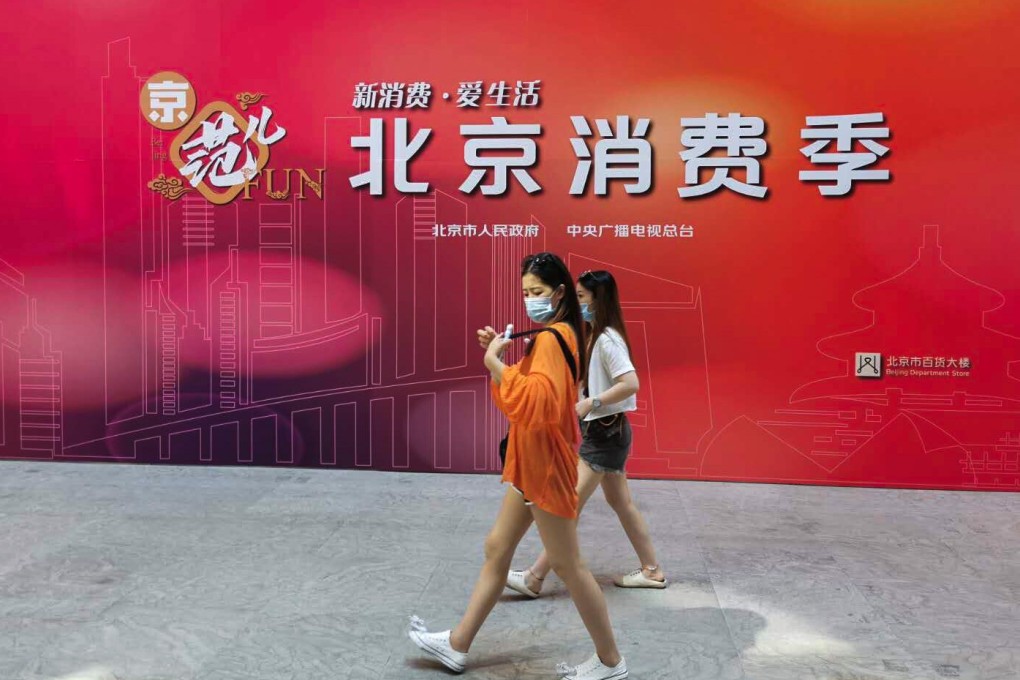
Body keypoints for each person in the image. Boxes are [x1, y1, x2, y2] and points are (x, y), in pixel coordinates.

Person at [409, 254, 628, 680]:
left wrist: (494, 363)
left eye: (537, 292)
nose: (530, 300)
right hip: (531, 460)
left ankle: (610, 662)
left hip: (544, 464)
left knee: (568, 566)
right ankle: (458, 644)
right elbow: (534, 390)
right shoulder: (561, 333)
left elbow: (538, 403)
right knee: (497, 547)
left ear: (559, 292)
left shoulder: (553, 337)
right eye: (526, 292)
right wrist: (500, 355)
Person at [506, 269, 667, 600]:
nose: (576, 302)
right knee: (621, 503)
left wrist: (592, 402)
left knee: (569, 505)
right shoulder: (594, 335)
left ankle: (535, 577)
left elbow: (631, 383)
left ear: (597, 299)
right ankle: (652, 570)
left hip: (605, 433)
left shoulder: (607, 339)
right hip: (607, 431)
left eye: (581, 296)